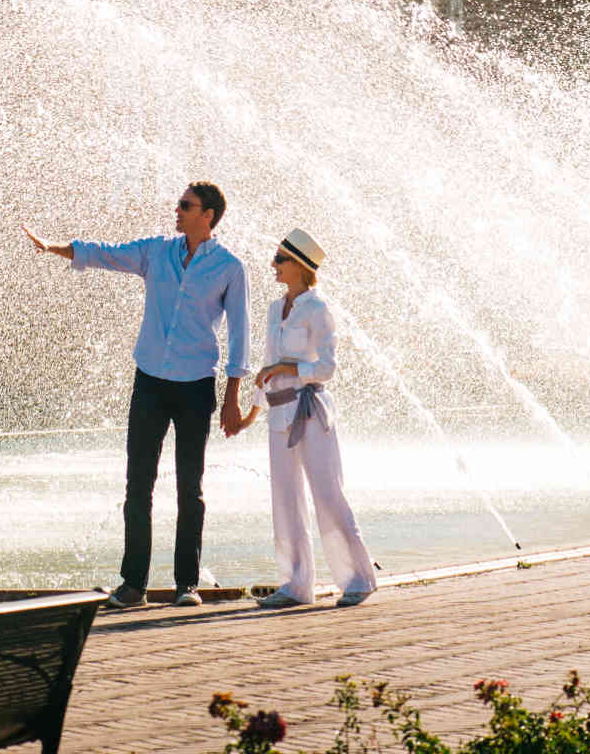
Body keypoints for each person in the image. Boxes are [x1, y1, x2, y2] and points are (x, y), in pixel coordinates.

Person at [23, 182, 257, 609]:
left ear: (209, 215)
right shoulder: (157, 251)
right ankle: (133, 585)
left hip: (196, 386)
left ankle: (187, 584)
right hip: (150, 381)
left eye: (186, 206)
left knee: (190, 487)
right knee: (138, 485)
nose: (177, 210)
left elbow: (241, 336)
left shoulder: (228, 267)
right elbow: (106, 253)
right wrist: (57, 248)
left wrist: (232, 396)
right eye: (179, 204)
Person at [252, 228, 377, 609]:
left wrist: (290, 367)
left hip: (310, 412)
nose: (273, 265)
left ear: (300, 267)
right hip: (277, 414)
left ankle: (358, 578)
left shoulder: (318, 309)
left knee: (327, 492)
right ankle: (295, 585)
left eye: (279, 259)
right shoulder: (276, 309)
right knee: (285, 498)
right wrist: (251, 412)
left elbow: (327, 367)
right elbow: (267, 367)